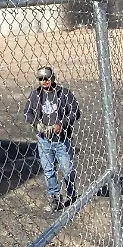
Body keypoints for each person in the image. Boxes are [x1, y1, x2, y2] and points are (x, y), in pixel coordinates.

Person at [24, 66, 81, 213]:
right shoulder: (35, 95)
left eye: (47, 78)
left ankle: (71, 192)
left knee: (67, 169)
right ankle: (55, 197)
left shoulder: (64, 93)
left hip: (62, 139)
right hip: (44, 139)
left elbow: (75, 112)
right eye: (41, 79)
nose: (44, 81)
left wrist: (61, 125)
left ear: (53, 78)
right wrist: (36, 123)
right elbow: (27, 113)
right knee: (48, 170)